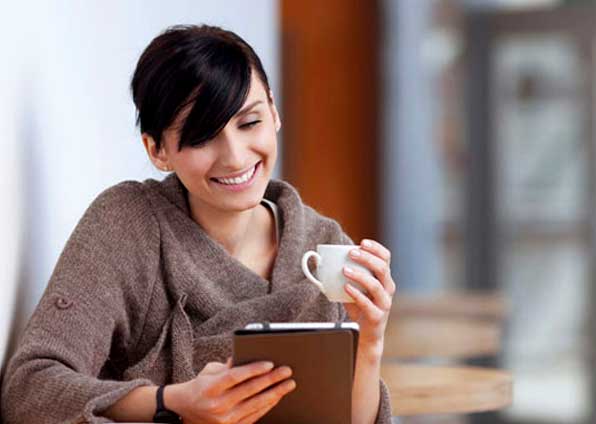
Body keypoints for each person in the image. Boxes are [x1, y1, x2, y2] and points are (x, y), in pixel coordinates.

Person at [1, 24, 395, 424]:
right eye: (202, 137)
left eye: (249, 123)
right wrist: (171, 402)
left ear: (274, 112)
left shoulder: (324, 244)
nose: (236, 157)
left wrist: (370, 343)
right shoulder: (126, 225)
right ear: (157, 150)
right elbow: (30, 388)